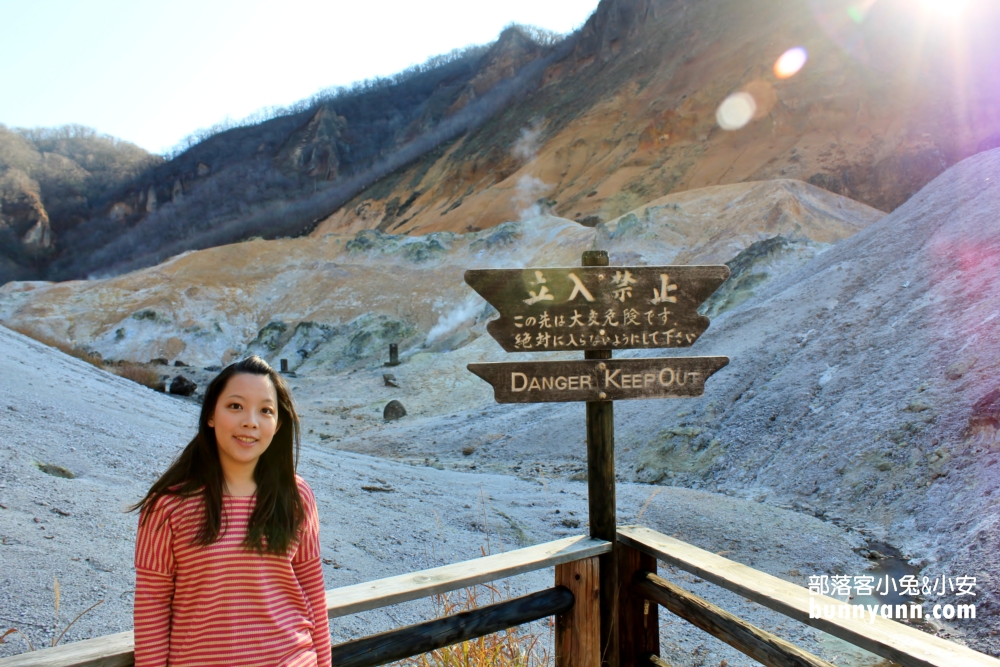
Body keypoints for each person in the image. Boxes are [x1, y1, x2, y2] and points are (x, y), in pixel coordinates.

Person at [131, 356, 331, 667]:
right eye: (236, 406)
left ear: (278, 425)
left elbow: (313, 593)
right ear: (210, 414)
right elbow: (152, 608)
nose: (250, 421)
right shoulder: (168, 505)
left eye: (265, 410)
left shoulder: (295, 495)